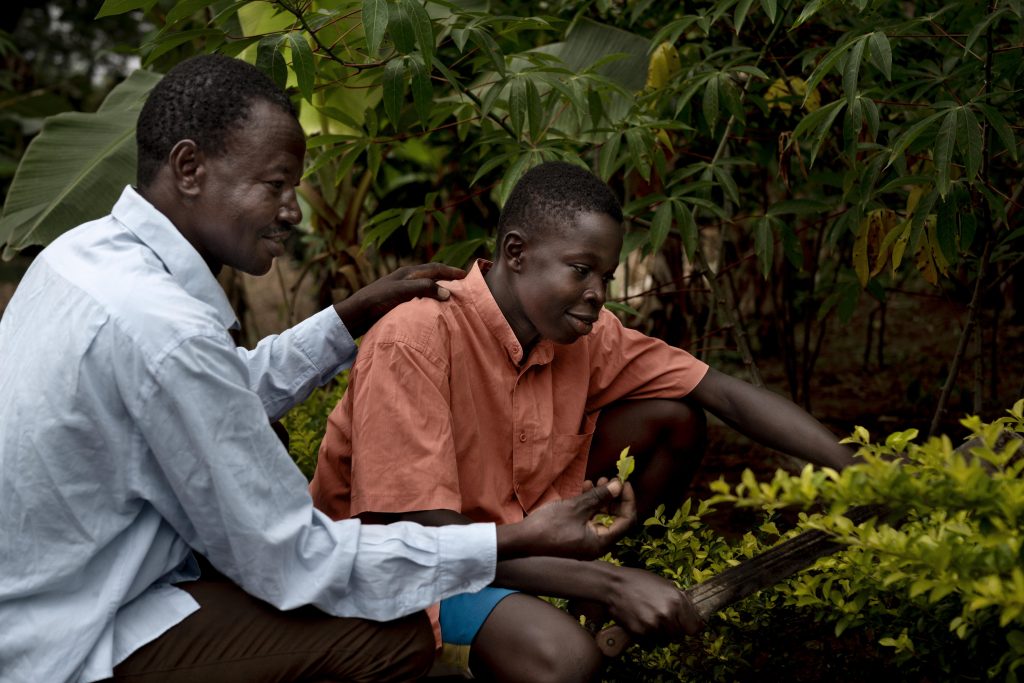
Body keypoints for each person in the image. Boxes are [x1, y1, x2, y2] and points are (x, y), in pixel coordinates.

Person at [0, 58, 639, 683]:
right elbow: (296, 559)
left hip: (41, 592)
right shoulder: (167, 329)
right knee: (388, 635)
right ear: (189, 168)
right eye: (274, 186)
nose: (292, 212)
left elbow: (208, 392)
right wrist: (513, 541)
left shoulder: (80, 254)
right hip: (72, 632)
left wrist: (346, 318)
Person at [310, 160, 857, 681]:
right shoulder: (418, 338)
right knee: (565, 662)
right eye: (581, 270)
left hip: (512, 533)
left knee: (674, 415)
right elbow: (425, 542)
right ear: (516, 252)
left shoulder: (583, 333)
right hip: (411, 569)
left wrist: (865, 470)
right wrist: (610, 584)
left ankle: (570, 591)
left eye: (606, 275)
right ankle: (486, 640)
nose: (598, 294)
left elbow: (722, 393)